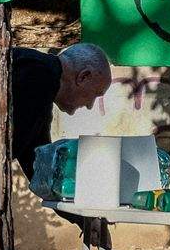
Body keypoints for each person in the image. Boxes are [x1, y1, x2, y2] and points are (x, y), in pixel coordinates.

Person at [9, 43, 113, 175]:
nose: (90, 105)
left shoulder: (43, 80)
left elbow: (39, 165)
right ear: (83, 77)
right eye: (96, 94)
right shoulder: (36, 75)